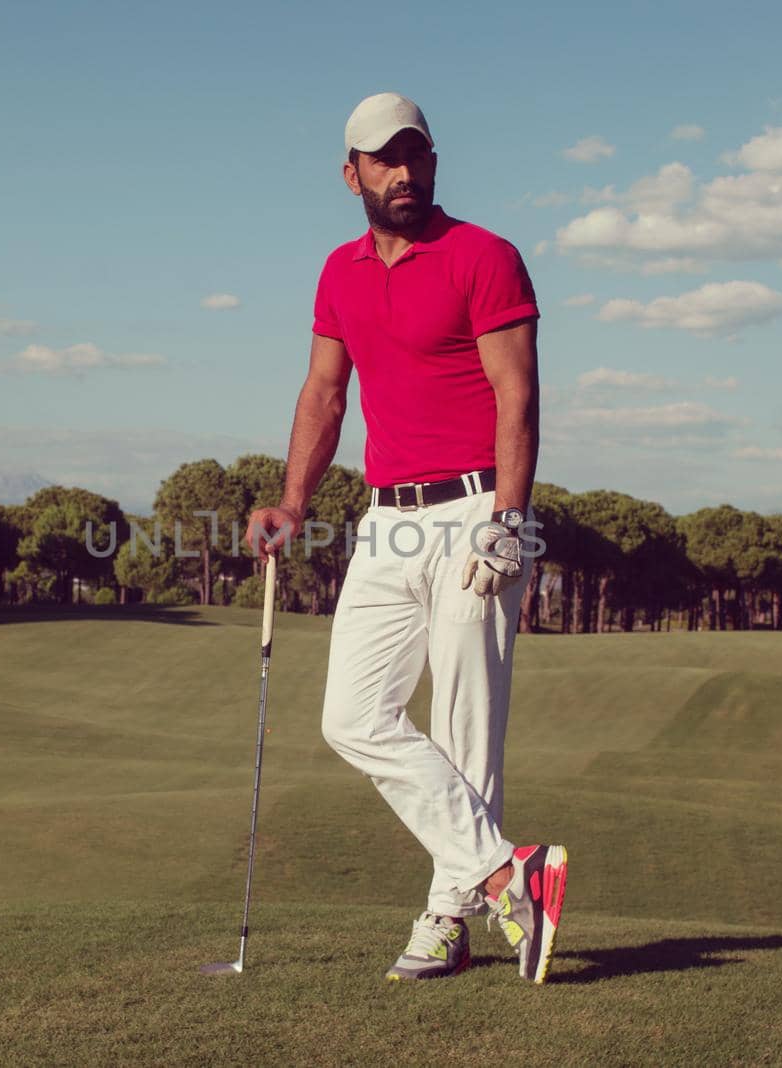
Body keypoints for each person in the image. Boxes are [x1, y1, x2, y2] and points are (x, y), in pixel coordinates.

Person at [247, 92, 567, 983]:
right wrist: (294, 502)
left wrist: (510, 520)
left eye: (416, 156)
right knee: (352, 716)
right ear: (350, 173)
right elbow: (324, 393)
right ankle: (510, 874)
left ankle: (445, 919)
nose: (404, 173)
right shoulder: (339, 271)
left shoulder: (485, 256)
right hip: (385, 520)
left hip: (477, 512)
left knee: (467, 731)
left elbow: (519, 395)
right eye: (384, 160)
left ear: (434, 161)